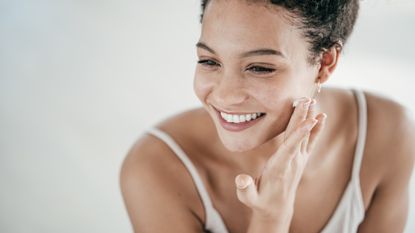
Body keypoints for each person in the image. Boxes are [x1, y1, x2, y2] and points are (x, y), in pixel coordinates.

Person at [120, 0, 415, 232]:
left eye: (260, 67)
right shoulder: (157, 167)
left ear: (325, 63)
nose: (224, 96)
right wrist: (271, 216)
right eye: (210, 61)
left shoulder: (387, 135)